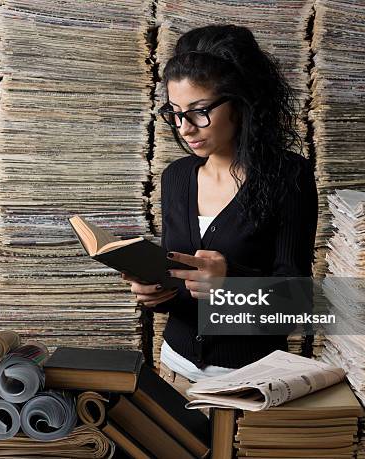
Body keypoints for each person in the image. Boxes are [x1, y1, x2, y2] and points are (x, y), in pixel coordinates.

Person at [122, 24, 318, 396]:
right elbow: (186, 287)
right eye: (175, 112)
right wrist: (155, 291)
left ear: (241, 105)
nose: (185, 128)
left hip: (248, 379)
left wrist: (230, 283)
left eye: (199, 112)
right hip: (173, 368)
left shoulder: (288, 176)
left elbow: (298, 302)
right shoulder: (177, 177)